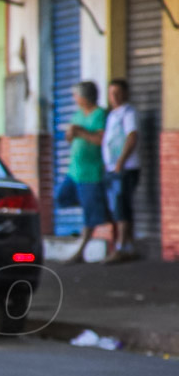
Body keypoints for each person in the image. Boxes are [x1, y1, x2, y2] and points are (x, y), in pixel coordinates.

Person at [64, 80, 112, 264]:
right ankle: (98, 209)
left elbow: (100, 140)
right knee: (62, 196)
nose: (74, 99)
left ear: (84, 97)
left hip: (91, 172)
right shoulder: (78, 114)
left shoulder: (100, 115)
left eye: (76, 95)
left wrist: (81, 132)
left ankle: (81, 250)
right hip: (74, 171)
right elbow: (71, 138)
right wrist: (71, 134)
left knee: (90, 216)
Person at [101, 78, 140, 263]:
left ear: (125, 94)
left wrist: (120, 162)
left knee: (122, 206)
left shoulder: (128, 113)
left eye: (117, 93)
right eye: (111, 93)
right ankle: (128, 246)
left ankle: (122, 246)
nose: (114, 97)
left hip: (125, 168)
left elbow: (132, 137)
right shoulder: (112, 115)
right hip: (112, 168)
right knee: (118, 206)